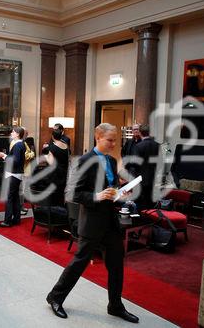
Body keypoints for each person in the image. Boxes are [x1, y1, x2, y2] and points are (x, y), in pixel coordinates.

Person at [46, 123, 139, 324]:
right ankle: (55, 296)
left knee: (116, 266)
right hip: (92, 221)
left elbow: (110, 188)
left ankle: (115, 305)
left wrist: (121, 191)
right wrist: (97, 195)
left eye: (116, 140)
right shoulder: (84, 161)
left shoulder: (112, 161)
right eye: (110, 140)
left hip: (110, 222)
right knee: (78, 264)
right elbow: (75, 194)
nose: (114, 144)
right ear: (98, 137)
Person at [0, 126, 26, 228]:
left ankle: (7, 221)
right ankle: (16, 219)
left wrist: (4, 156)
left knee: (9, 197)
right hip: (16, 174)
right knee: (15, 197)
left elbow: (15, 161)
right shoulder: (20, 144)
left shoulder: (18, 145)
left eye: (13, 132)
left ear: (18, 134)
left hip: (13, 174)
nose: (11, 133)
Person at [132, 124, 160, 210]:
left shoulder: (138, 146)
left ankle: (140, 220)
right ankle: (150, 220)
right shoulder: (158, 145)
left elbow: (135, 164)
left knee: (140, 204)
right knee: (151, 203)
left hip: (140, 179)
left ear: (140, 133)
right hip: (153, 179)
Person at [45, 128, 70, 206]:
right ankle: (61, 210)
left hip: (54, 175)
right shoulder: (66, 146)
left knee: (53, 195)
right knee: (61, 194)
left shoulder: (52, 148)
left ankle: (54, 213)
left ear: (52, 136)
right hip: (64, 173)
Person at [20, 128, 35, 215]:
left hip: (27, 169)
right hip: (24, 170)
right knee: (22, 190)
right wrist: (32, 153)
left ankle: (21, 207)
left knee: (23, 190)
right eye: (26, 133)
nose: (27, 135)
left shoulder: (24, 142)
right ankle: (20, 208)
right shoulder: (21, 143)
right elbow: (25, 156)